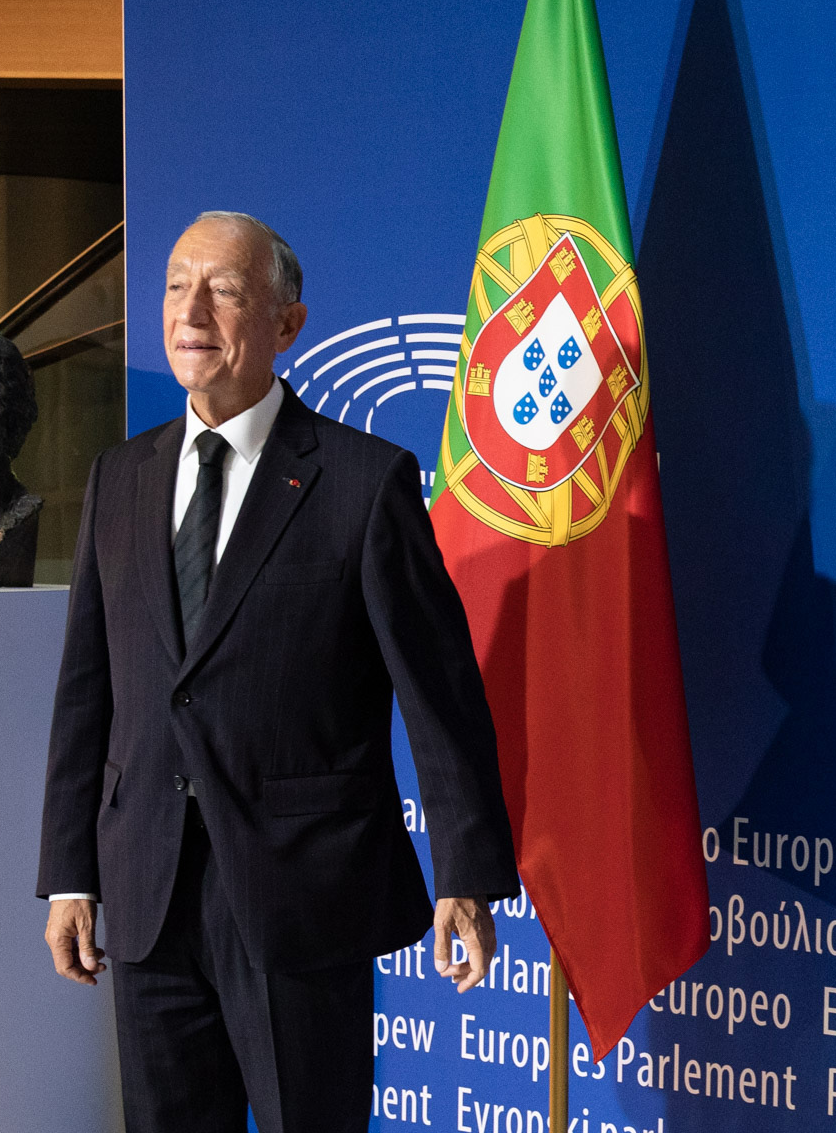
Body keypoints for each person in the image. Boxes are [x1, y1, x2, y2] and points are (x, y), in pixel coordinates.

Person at [37, 212, 520, 1133]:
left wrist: (465, 870)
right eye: (176, 286)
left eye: (223, 290)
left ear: (288, 324)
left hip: (299, 896)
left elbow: (440, 697)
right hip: (145, 891)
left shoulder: (363, 480)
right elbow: (86, 692)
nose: (190, 313)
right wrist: (69, 872)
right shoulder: (118, 478)